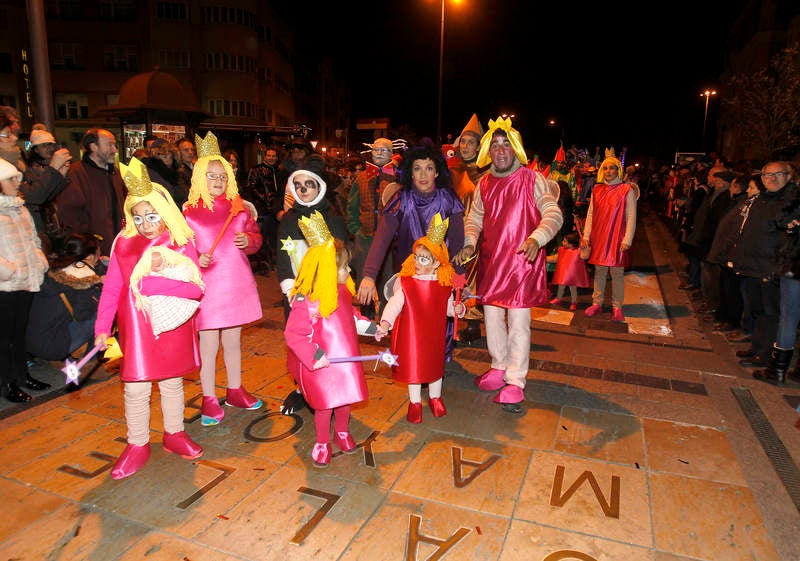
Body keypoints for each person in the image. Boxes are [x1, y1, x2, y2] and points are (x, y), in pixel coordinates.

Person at [94, 156, 204, 479]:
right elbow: (112, 288)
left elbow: (195, 290)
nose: (144, 223)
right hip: (136, 330)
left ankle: (174, 432)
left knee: (172, 383)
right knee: (136, 388)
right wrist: (102, 328)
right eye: (137, 216)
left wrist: (152, 280)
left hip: (171, 325)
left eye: (151, 215)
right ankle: (138, 443)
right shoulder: (124, 244)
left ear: (164, 212)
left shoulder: (180, 242)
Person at [452, 116, 563, 411]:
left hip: (521, 267)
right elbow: (474, 218)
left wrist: (537, 238)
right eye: (496, 145)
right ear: (490, 150)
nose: (501, 151)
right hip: (493, 263)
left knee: (518, 325)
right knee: (491, 320)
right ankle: (499, 366)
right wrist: (468, 243)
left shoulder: (532, 179)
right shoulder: (485, 183)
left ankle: (515, 380)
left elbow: (553, 212)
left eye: (506, 145)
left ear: (515, 150)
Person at [183, 132, 264, 426]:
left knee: (233, 341)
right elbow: (179, 249)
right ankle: (207, 397)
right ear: (198, 179)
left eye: (222, 175)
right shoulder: (189, 213)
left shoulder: (238, 208)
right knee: (208, 346)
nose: (217, 181)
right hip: (208, 290)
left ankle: (234, 388)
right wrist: (195, 258)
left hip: (236, 284)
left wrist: (249, 240)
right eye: (211, 176)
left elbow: (257, 238)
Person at [283, 211, 371, 467]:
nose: (348, 270)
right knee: (324, 406)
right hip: (322, 364)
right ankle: (323, 440)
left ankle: (342, 431)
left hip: (344, 362)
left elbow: (352, 319)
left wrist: (373, 328)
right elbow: (294, 334)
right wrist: (314, 356)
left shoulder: (342, 292)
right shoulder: (307, 302)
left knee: (344, 401)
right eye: (343, 267)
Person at [375, 214, 465, 423]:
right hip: (413, 336)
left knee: (434, 368)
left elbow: (448, 309)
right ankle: (415, 402)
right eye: (416, 257)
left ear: (436, 263)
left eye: (423, 259)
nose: (417, 262)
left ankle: (435, 398)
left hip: (433, 336)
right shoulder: (407, 284)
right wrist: (385, 323)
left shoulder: (443, 285)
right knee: (414, 368)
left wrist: (457, 309)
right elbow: (394, 305)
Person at [355, 142, 465, 311]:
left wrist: (459, 281)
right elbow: (381, 241)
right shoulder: (400, 200)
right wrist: (369, 276)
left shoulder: (448, 200)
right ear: (410, 173)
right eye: (417, 168)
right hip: (408, 278)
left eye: (429, 168)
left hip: (440, 279)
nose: (423, 174)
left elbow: (457, 245)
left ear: (436, 172)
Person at [730, 160, 797, 369]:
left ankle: (765, 353)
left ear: (788, 176)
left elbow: (785, 233)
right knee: (757, 309)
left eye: (778, 174)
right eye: (768, 174)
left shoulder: (790, 200)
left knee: (770, 312)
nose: (772, 178)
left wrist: (775, 266)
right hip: (752, 264)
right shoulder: (761, 199)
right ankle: (756, 347)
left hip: (771, 266)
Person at [0, 158, 51, 403]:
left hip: (26, 279)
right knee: (4, 336)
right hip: (5, 284)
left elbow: (34, 239)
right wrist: (7, 271)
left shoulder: (20, 207)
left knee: (20, 333)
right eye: (10, 179)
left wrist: (39, 261)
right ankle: (7, 382)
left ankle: (22, 375)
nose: (16, 182)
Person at [26, 232, 104, 363]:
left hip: (28, 341)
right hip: (52, 347)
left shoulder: (53, 268)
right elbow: (83, 315)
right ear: (90, 256)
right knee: (102, 314)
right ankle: (90, 360)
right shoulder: (84, 279)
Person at [754, 164, 800, 384]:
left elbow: (782, 218)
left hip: (795, 262)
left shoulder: (794, 196)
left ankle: (777, 370)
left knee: (788, 317)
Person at [581, 151, 639, 322]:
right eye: (605, 168)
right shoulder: (597, 189)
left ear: (618, 170)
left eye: (611, 168)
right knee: (599, 272)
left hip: (617, 237)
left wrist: (627, 239)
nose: (608, 171)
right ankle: (597, 303)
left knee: (617, 273)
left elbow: (631, 216)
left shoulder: (626, 190)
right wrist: (586, 235)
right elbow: (591, 213)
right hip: (599, 236)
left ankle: (617, 307)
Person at [447, 114, 489, 343]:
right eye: (462, 142)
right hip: (452, 231)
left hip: (476, 235)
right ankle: (450, 320)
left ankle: (472, 323)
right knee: (451, 277)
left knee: (471, 278)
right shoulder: (452, 170)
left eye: (471, 142)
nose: (465, 146)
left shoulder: (486, 173)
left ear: (479, 146)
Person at [347, 138, 400, 315]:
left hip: (390, 242)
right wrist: (356, 231)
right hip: (366, 239)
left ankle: (387, 319)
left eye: (383, 150)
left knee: (388, 281)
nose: (378, 153)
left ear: (391, 153)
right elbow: (352, 207)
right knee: (364, 278)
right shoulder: (361, 178)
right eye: (376, 150)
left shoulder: (398, 177)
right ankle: (365, 316)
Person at [56, 128, 126, 256]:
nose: (115, 150)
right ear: (93, 146)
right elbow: (69, 215)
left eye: (115, 145)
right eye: (109, 144)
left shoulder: (115, 172)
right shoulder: (76, 173)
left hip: (117, 246)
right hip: (92, 251)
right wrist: (89, 245)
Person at [21, 125, 72, 253]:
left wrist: (62, 175)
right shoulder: (30, 170)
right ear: (36, 149)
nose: (49, 148)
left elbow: (51, 195)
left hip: (51, 222)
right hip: (39, 224)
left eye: (50, 144)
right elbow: (38, 196)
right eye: (44, 145)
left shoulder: (48, 167)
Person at [244, 144, 282, 271]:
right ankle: (263, 263)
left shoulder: (278, 171)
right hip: (263, 209)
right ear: (264, 156)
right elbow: (251, 187)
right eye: (269, 155)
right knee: (262, 236)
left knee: (274, 236)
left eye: (274, 156)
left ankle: (273, 261)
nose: (271, 158)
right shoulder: (257, 169)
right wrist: (265, 200)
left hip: (275, 209)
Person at [548, 231, 590, 311]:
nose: (562, 242)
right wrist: (546, 258)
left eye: (564, 241)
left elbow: (585, 255)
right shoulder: (561, 250)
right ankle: (559, 298)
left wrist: (585, 244)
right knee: (561, 286)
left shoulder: (578, 252)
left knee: (573, 288)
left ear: (571, 244)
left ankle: (574, 302)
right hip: (563, 275)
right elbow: (555, 258)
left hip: (572, 276)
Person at [142, 139, 189, 209]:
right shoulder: (152, 173)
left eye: (171, 157)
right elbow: (170, 194)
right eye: (164, 156)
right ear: (156, 156)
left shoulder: (176, 173)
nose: (168, 160)